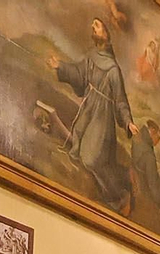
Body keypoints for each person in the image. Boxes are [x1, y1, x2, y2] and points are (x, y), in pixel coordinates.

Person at [48, 19, 136, 213]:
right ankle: (121, 176)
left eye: (96, 25)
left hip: (102, 118)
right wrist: (60, 67)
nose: (92, 28)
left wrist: (128, 122)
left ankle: (120, 196)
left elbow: (120, 100)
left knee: (91, 158)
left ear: (105, 33)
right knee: (79, 144)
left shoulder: (113, 70)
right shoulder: (91, 57)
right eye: (93, 25)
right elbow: (79, 73)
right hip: (90, 109)